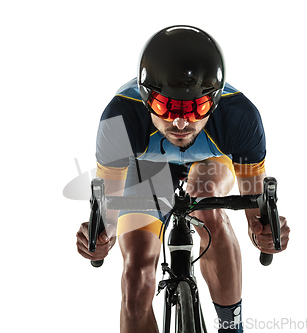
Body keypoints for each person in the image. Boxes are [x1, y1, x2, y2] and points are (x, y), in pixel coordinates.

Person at [76, 25, 290, 333]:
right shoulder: (120, 118)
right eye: (165, 107)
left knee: (206, 203)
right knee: (136, 278)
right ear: (146, 98)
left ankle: (232, 327)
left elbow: (256, 215)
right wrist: (99, 239)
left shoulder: (239, 116)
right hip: (145, 168)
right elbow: (106, 220)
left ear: (214, 102)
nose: (179, 123)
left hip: (208, 164)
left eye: (196, 109)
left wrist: (264, 235)